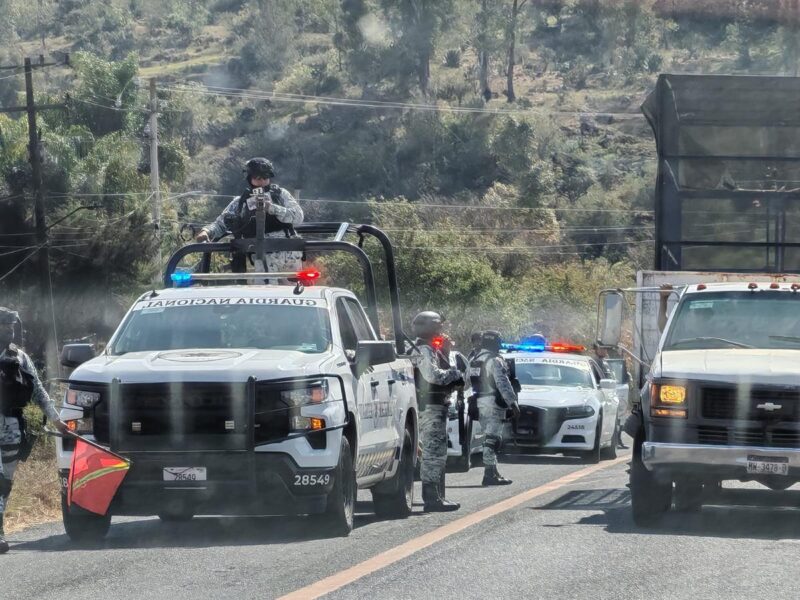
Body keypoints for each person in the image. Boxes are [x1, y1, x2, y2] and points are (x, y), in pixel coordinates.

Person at [0, 307, 68, 554]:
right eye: (4, 325)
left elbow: (39, 391)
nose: (9, 330)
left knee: (4, 482)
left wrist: (57, 420)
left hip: (10, 430)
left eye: (11, 326)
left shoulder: (19, 357)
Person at [196, 157, 304, 275]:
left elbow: (298, 217)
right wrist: (206, 231)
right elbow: (222, 223)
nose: (262, 182)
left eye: (265, 177)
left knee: (293, 290)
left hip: (288, 253)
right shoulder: (241, 202)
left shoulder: (281, 194)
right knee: (264, 291)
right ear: (250, 179)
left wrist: (272, 208)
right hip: (260, 257)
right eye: (257, 178)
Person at [409, 311, 463, 512]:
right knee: (433, 454)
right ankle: (432, 499)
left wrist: (447, 354)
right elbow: (433, 376)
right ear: (430, 327)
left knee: (437, 453)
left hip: (436, 406)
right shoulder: (423, 349)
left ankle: (438, 496)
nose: (441, 330)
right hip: (430, 407)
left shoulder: (429, 348)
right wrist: (454, 373)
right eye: (439, 326)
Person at [469, 330, 519, 486]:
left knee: (490, 437)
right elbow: (503, 383)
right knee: (493, 439)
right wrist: (513, 403)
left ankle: (493, 471)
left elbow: (467, 380)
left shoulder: (474, 359)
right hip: (494, 403)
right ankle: (489, 474)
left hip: (480, 402)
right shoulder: (494, 360)